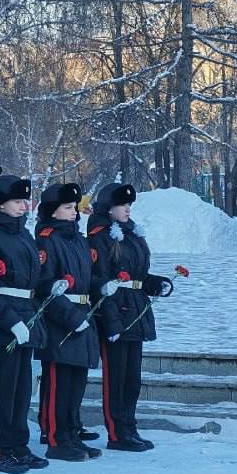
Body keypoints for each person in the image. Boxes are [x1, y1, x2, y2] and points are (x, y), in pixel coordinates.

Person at [86, 183, 174, 453]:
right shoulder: (101, 236)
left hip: (135, 308)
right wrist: (109, 320)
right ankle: (117, 432)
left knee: (132, 378)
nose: (127, 209)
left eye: (129, 205)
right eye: (122, 205)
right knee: (116, 377)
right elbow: (100, 280)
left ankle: (129, 426)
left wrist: (154, 283)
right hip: (115, 310)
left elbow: (136, 274)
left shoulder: (132, 233)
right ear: (108, 208)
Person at [0, 175, 49, 473]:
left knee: (20, 387)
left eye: (24, 201)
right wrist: (10, 320)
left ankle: (18, 443)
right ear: (0, 204)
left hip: (25, 312)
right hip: (3, 320)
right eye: (17, 201)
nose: (23, 206)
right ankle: (0, 448)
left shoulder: (22, 234)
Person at [33, 182, 101, 463]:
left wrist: (102, 287)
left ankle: (71, 432)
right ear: (52, 210)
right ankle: (56, 437)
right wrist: (71, 317)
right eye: (67, 207)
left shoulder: (76, 238)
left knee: (76, 381)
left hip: (82, 314)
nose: (74, 212)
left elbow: (86, 277)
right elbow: (45, 285)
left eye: (75, 207)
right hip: (62, 320)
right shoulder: (48, 240)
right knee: (59, 383)